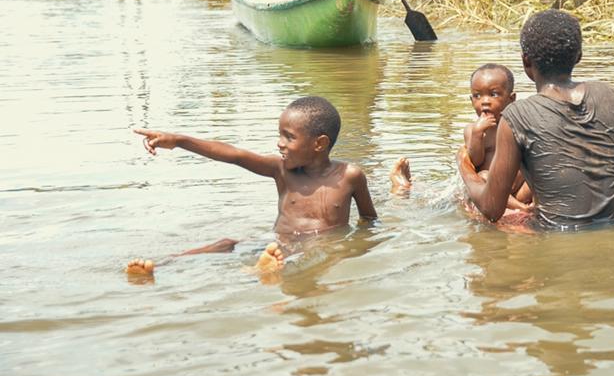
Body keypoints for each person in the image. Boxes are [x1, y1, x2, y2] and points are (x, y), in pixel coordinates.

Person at [126, 96, 411, 278]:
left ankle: (263, 271)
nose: (279, 143)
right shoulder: (282, 171)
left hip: (316, 246)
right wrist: (178, 140)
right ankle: (164, 265)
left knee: (311, 256)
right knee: (227, 244)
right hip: (279, 239)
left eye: (288, 137)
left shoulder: (350, 176)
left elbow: (369, 220)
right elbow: (234, 155)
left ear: (319, 144)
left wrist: (358, 251)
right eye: (280, 136)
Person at [457, 9, 614, 227]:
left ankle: (404, 190)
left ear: (526, 62)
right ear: (578, 56)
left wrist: (464, 165)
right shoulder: (609, 97)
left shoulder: (517, 115)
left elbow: (491, 208)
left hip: (553, 240)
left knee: (468, 207)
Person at [464, 63, 532, 211]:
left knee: (536, 176)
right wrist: (477, 134)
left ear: (511, 98)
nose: (485, 101)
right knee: (484, 176)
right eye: (477, 96)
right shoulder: (472, 130)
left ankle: (523, 204)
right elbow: (475, 161)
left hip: (517, 188)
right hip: (493, 191)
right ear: (471, 100)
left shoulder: (518, 126)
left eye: (493, 94)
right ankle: (521, 207)